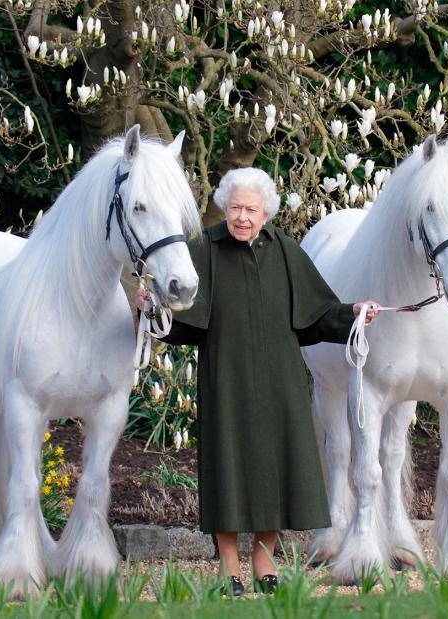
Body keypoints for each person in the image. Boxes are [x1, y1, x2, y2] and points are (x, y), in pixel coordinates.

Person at [138, 167, 378, 596]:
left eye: (250, 209)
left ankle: (264, 555)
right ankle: (229, 560)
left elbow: (318, 315)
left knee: (276, 468)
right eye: (234, 208)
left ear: (266, 212)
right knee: (227, 467)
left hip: (280, 381)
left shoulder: (285, 251)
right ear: (223, 209)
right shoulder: (205, 250)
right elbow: (181, 320)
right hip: (224, 379)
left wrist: (355, 312)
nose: (242, 217)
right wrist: (151, 308)